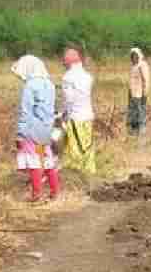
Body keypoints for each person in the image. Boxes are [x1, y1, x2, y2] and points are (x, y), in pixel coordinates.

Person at [13, 55, 61, 202]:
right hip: (46, 130)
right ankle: (54, 192)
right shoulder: (49, 84)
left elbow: (25, 112)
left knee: (34, 162)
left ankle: (36, 194)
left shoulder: (30, 86)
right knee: (45, 159)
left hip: (32, 131)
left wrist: (20, 134)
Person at [60, 47, 96, 175]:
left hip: (75, 117)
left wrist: (62, 114)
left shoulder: (68, 77)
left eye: (64, 60)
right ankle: (89, 173)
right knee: (87, 146)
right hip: (88, 116)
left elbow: (68, 100)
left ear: (69, 61)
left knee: (75, 147)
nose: (62, 63)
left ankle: (76, 176)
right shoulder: (87, 76)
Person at [127, 48, 151, 138]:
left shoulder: (142, 65)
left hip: (140, 93)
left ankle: (142, 129)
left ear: (139, 56)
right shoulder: (133, 66)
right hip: (132, 93)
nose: (134, 58)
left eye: (135, 56)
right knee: (133, 111)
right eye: (132, 56)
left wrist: (145, 91)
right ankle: (134, 129)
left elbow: (146, 79)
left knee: (140, 110)